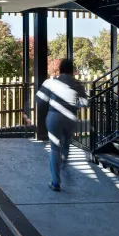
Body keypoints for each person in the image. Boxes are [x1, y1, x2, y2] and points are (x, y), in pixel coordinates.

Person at [36, 58, 88, 192]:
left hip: (54, 116)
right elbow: (85, 103)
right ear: (72, 70)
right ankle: (64, 162)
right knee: (66, 144)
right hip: (70, 117)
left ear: (60, 69)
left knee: (54, 148)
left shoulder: (51, 82)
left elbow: (40, 100)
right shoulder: (77, 84)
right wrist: (76, 105)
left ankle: (55, 182)